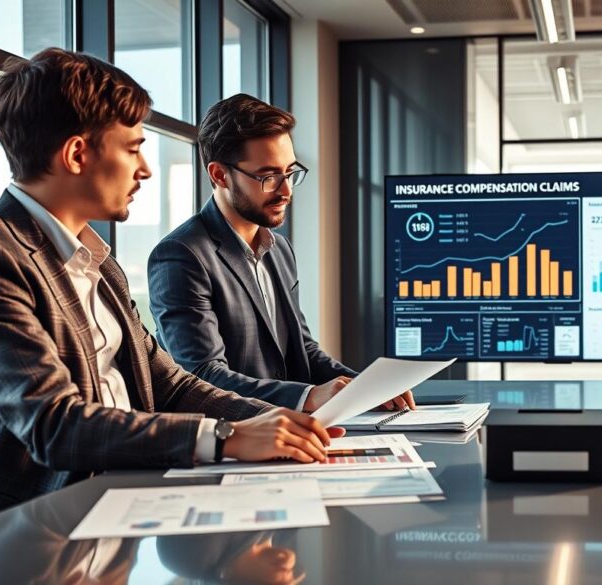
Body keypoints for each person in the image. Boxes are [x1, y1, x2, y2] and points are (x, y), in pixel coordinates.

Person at [0, 49, 342, 515]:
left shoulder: (98, 262)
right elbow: (53, 425)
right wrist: (226, 437)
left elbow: (170, 385)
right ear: (77, 154)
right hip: (32, 521)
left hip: (126, 496)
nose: (145, 169)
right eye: (133, 148)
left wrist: (278, 421)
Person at [147, 94, 413, 413]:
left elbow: (303, 350)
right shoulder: (181, 255)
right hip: (233, 433)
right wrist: (307, 396)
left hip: (291, 428)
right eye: (269, 177)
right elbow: (202, 376)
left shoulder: (280, 249)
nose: (286, 190)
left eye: (289, 172)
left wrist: (367, 387)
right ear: (219, 175)